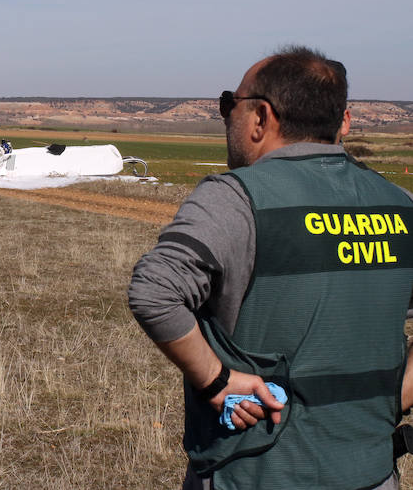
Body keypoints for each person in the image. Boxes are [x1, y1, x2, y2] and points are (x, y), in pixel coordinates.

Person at [129, 46, 413, 490]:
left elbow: (154, 291)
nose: (227, 118)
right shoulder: (399, 205)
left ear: (261, 117)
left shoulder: (236, 197)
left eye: (230, 105)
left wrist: (218, 380)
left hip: (253, 472)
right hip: (372, 472)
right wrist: (396, 397)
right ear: (343, 121)